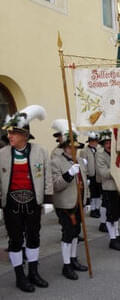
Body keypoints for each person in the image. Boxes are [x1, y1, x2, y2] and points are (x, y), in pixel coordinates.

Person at [0, 105, 52, 292]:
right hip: (11, 203)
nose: (9, 136)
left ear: (24, 135)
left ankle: (33, 272)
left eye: (13, 133)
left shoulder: (40, 151)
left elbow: (47, 177)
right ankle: (19, 276)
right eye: (9, 133)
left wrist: (47, 200)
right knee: (15, 240)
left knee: (34, 236)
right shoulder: (2, 154)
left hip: (33, 202)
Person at [51, 124, 88, 280]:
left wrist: (87, 199)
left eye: (76, 148)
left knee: (75, 233)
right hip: (65, 203)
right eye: (71, 147)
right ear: (65, 147)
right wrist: (69, 174)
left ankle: (73, 259)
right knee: (67, 233)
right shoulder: (56, 161)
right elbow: (55, 185)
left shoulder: (78, 159)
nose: (75, 150)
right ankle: (66, 265)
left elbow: (84, 181)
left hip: (78, 201)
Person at [96, 130, 120, 251]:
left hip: (119, 187)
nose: (109, 145)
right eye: (106, 143)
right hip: (109, 187)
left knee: (117, 212)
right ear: (103, 144)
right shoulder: (100, 155)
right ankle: (112, 239)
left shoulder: (116, 154)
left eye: (110, 142)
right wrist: (116, 170)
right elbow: (103, 172)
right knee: (111, 214)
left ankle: (117, 235)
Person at [80, 131, 102, 219]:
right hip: (90, 175)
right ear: (89, 141)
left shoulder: (99, 150)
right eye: (93, 141)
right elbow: (83, 164)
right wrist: (86, 175)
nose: (95, 143)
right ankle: (93, 210)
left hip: (98, 175)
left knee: (98, 193)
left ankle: (97, 208)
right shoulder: (84, 151)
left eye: (96, 141)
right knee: (92, 193)